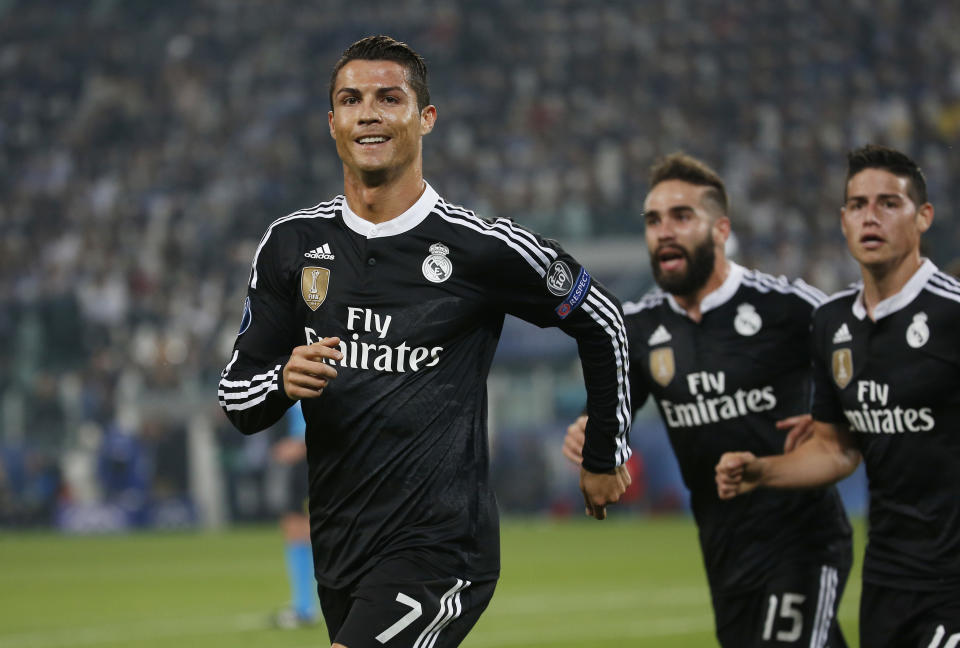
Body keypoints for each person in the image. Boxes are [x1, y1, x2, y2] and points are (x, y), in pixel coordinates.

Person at [218, 35, 632, 648]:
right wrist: (281, 382)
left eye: (390, 98)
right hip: (340, 545)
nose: (369, 113)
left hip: (441, 546)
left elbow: (603, 320)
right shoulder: (290, 246)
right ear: (331, 121)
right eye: (351, 99)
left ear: (426, 118)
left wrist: (605, 450)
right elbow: (237, 398)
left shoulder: (480, 248)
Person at [563, 153, 852, 647]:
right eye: (654, 220)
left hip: (800, 536)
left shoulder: (783, 306)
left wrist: (835, 409)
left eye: (682, 217)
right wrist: (590, 433)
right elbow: (610, 417)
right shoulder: (639, 328)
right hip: (723, 545)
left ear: (720, 229)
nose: (664, 232)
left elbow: (864, 357)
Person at [716, 145, 960, 647]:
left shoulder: (952, 315)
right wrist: (761, 471)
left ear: (924, 218)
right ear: (843, 219)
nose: (871, 217)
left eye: (889, 204)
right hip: (888, 580)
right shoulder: (832, 324)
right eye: (857, 205)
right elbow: (835, 447)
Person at [269, 401, 318, 629]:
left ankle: (306, 607)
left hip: (309, 463)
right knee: (295, 530)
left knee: (305, 532)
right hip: (298, 465)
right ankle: (303, 605)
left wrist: (299, 444)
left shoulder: (318, 374)